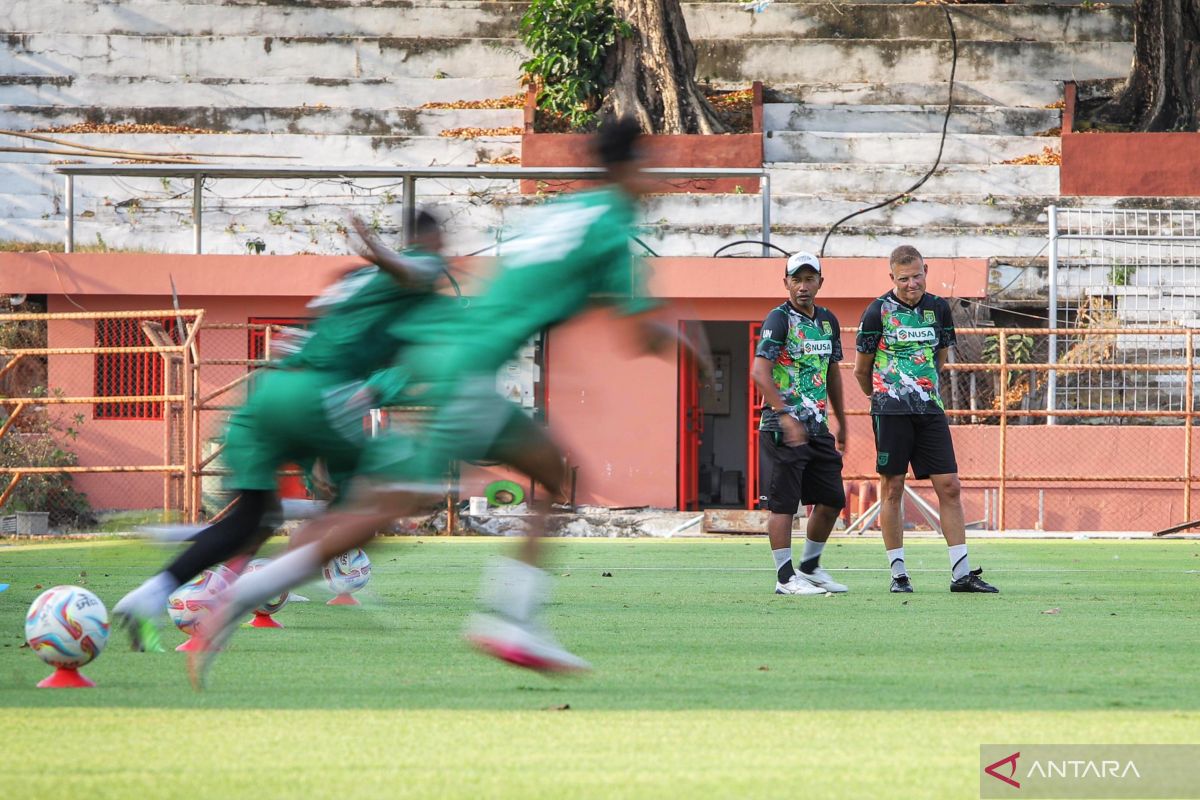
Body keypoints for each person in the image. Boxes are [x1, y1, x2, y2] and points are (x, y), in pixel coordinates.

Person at [190, 116, 712, 686]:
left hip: (447, 356)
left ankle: (514, 620)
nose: (655, 175)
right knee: (390, 505)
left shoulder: (560, 212)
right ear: (627, 167)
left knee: (547, 470)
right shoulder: (613, 226)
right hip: (464, 369)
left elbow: (520, 285)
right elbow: (639, 335)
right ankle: (248, 593)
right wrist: (696, 350)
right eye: (649, 163)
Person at [111, 210, 452, 651]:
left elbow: (302, 336)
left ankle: (148, 595)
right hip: (321, 393)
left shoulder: (353, 286)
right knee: (383, 491)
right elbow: (410, 271)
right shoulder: (422, 266)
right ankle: (257, 589)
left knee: (255, 517)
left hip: (268, 392)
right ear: (433, 238)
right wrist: (377, 248)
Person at [853, 245, 998, 594]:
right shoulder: (877, 311)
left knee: (950, 485)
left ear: (926, 270)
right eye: (903, 278)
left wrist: (923, 387)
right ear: (892, 278)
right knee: (892, 489)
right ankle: (898, 574)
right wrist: (883, 395)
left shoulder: (937, 309)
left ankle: (961, 574)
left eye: (917, 275)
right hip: (890, 411)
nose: (911, 283)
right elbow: (861, 369)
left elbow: (941, 356)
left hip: (929, 409)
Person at [752, 252, 848, 596]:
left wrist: (842, 420)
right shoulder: (779, 319)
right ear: (786, 283)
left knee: (833, 498)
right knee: (784, 504)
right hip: (782, 428)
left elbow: (832, 371)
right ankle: (784, 579)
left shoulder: (828, 321)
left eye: (810, 279)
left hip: (818, 426)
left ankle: (809, 568)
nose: (803, 286)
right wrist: (785, 415)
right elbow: (759, 372)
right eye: (796, 279)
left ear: (821, 282)